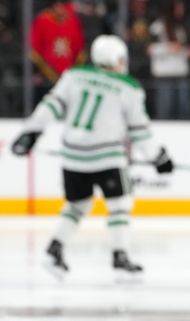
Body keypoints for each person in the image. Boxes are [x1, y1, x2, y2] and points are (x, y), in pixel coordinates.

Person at [10, 34, 174, 280]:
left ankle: (55, 248)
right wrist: (158, 156)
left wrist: (30, 133)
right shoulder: (128, 86)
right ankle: (120, 255)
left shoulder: (73, 75)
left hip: (73, 156)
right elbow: (139, 130)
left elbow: (51, 106)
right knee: (119, 204)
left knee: (78, 204)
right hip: (107, 156)